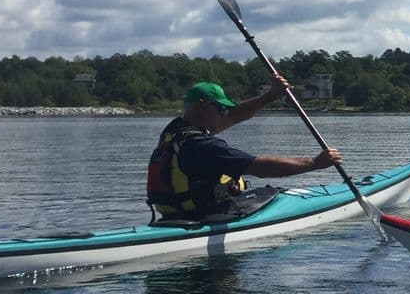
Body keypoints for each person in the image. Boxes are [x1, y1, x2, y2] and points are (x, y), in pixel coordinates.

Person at [146, 78, 342, 221]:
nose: (224, 115)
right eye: (220, 109)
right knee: (270, 193)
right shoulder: (203, 146)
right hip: (207, 217)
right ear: (202, 107)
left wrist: (270, 96)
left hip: (174, 216)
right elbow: (261, 168)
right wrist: (315, 163)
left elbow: (233, 116)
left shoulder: (174, 131)